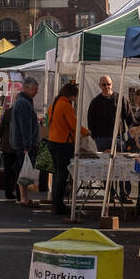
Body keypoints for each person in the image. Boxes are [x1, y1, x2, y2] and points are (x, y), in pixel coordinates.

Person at [87, 75, 138, 204]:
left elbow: (129, 118)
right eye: (104, 84)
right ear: (100, 86)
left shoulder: (120, 99)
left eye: (108, 84)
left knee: (122, 167)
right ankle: (110, 194)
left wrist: (132, 133)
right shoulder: (95, 102)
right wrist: (95, 137)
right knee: (106, 168)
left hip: (119, 138)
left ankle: (124, 194)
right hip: (102, 139)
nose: (106, 87)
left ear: (112, 84)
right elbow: (90, 121)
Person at [46, 81, 91, 217]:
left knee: (56, 176)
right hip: (63, 144)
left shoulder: (54, 104)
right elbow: (74, 125)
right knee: (62, 176)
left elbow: (49, 122)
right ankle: (59, 206)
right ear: (70, 95)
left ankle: (56, 204)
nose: (75, 99)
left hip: (53, 141)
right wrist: (86, 131)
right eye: (74, 96)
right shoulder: (66, 106)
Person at [9, 76, 40, 207]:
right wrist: (27, 145)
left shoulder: (23, 101)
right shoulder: (24, 103)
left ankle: (23, 197)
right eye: (34, 89)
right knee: (24, 171)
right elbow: (25, 126)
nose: (36, 92)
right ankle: (23, 198)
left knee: (23, 170)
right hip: (23, 144)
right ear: (26, 88)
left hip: (20, 143)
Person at [0, 106, 19, 200]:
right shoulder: (22, 111)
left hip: (6, 144)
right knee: (18, 170)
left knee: (8, 169)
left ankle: (8, 192)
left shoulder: (8, 112)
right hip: (17, 145)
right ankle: (18, 193)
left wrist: (2, 141)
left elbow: (1, 128)